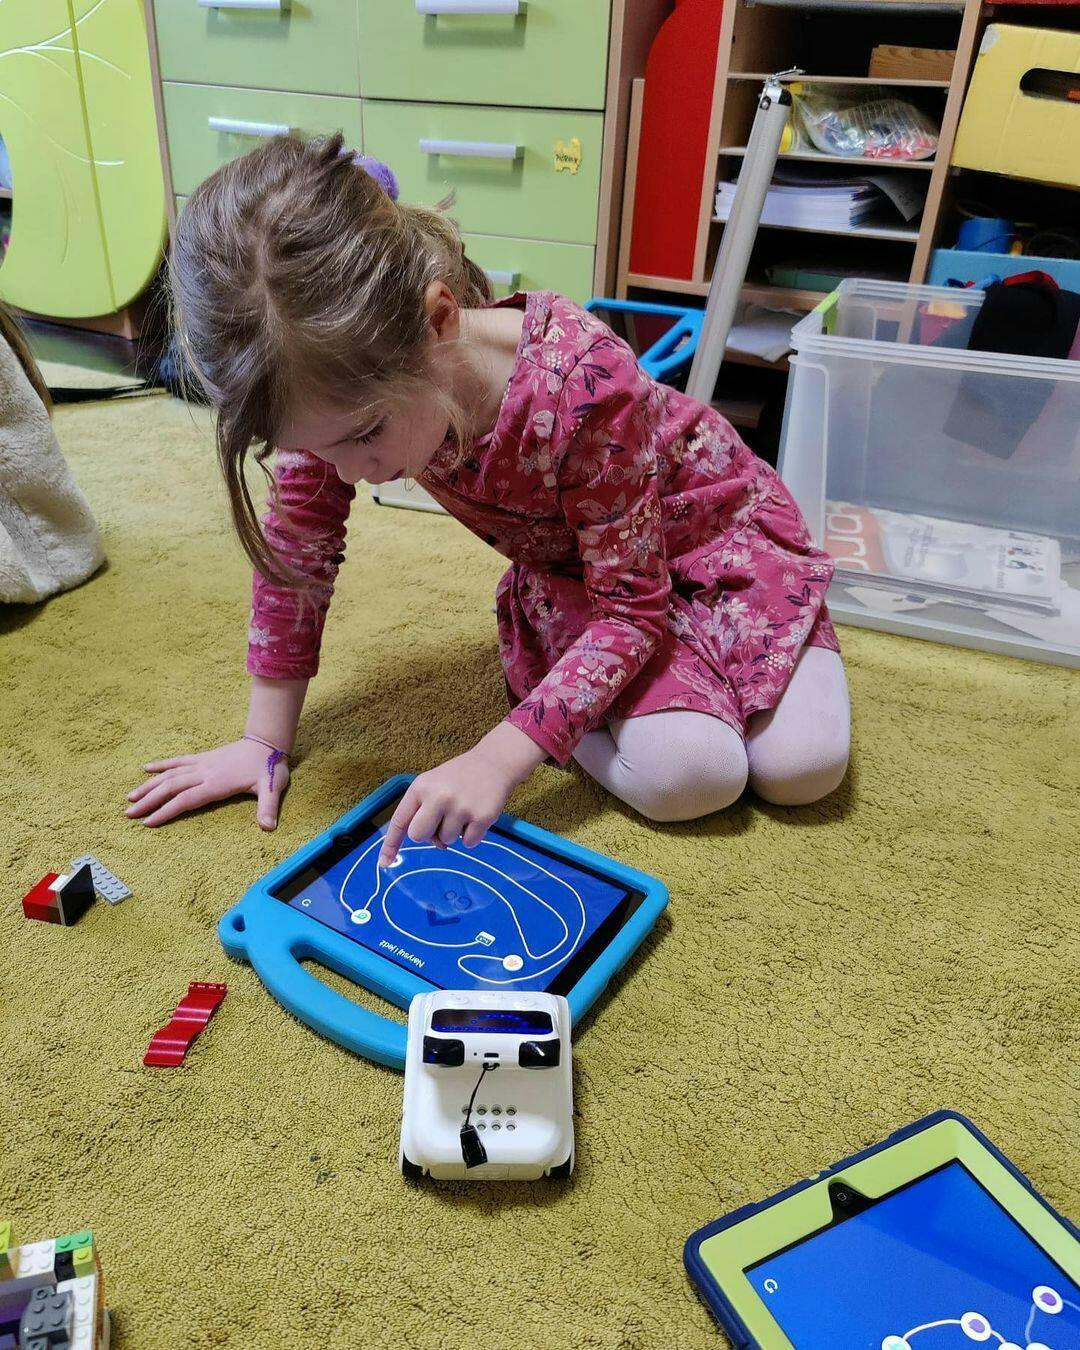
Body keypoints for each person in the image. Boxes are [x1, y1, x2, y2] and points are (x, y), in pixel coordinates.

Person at [127, 135, 849, 864]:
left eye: (365, 436)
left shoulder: (584, 382)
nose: (346, 474)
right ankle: (625, 689)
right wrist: (263, 740)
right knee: (693, 777)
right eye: (314, 449)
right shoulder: (331, 394)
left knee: (802, 769)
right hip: (581, 574)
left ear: (439, 322)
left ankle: (714, 660)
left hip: (716, 538)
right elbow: (298, 555)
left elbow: (633, 609)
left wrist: (497, 757)